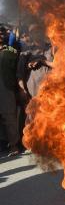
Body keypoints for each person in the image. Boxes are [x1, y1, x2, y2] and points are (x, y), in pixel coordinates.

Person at [0, 26, 19, 156]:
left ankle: (13, 145)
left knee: (9, 116)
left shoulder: (10, 51)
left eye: (1, 33)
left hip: (5, 86)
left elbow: (17, 69)